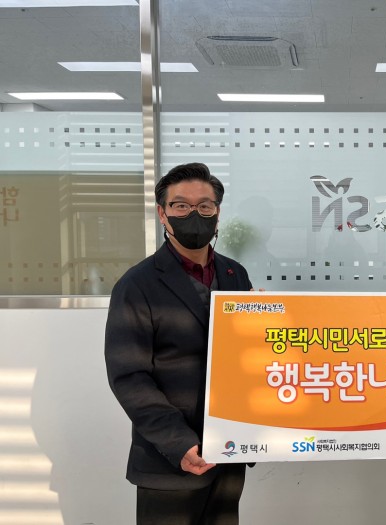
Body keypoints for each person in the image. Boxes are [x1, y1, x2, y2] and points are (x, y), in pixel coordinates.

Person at [105, 162, 253, 525]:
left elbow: (246, 356)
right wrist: (178, 441)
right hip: (169, 460)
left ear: (217, 212)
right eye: (181, 206)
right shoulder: (137, 284)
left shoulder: (235, 274)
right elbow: (129, 376)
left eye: (205, 206)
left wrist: (266, 325)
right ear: (163, 213)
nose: (194, 215)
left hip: (228, 452)